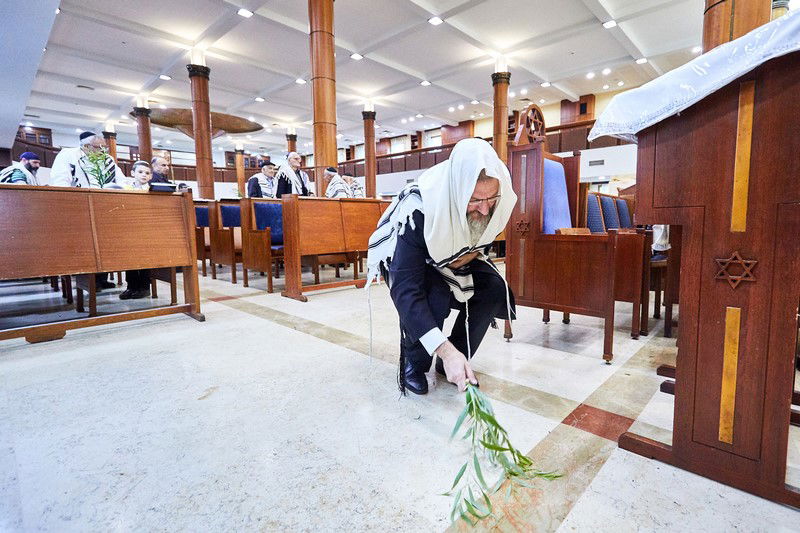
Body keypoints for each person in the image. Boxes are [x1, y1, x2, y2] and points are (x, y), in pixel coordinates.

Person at [366, 138, 516, 395]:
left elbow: (481, 243)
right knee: (434, 293)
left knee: (494, 287)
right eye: (475, 200)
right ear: (457, 191)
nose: (484, 209)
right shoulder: (420, 208)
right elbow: (406, 287)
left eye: (491, 198)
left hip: (456, 255)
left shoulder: (499, 198)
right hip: (409, 256)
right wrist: (444, 349)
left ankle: (457, 359)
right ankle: (415, 363)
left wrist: (465, 255)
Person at [50, 131, 124, 188]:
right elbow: (60, 180)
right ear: (86, 146)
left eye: (104, 147)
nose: (103, 151)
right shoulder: (69, 154)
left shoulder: (108, 159)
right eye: (99, 147)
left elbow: (121, 180)